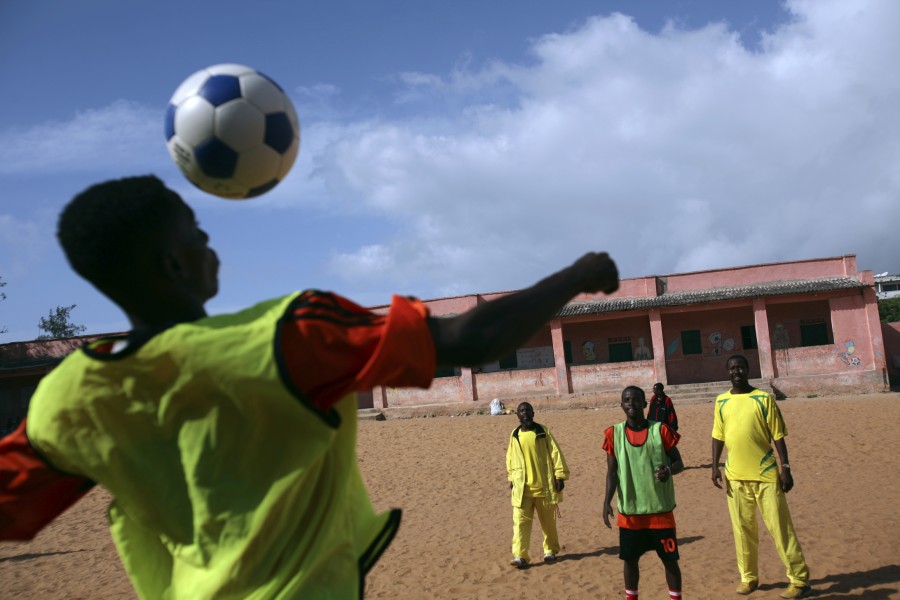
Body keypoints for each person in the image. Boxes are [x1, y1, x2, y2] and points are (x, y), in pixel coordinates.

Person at [0, 175, 619, 599]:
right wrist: (577, 274)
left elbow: (11, 507)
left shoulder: (69, 397)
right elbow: (468, 340)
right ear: (172, 262)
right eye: (195, 229)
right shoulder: (286, 338)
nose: (209, 241)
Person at [711, 355, 811, 599]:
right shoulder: (721, 401)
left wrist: (785, 467)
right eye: (732, 368)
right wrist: (715, 466)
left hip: (766, 475)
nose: (737, 371)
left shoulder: (763, 399)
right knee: (743, 531)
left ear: (747, 369)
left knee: (780, 528)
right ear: (727, 372)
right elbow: (718, 435)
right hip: (735, 476)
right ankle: (749, 577)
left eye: (740, 367)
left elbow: (778, 435)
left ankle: (798, 579)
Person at [603, 386, 684, 600]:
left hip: (660, 511)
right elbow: (612, 473)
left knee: (669, 560)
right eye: (627, 400)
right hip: (630, 512)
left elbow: (678, 463)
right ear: (621, 405)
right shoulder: (614, 433)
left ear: (644, 404)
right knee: (630, 560)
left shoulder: (661, 430)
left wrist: (668, 470)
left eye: (636, 399)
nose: (631, 403)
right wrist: (606, 502)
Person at [505, 401, 568, 569]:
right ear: (517, 415)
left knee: (548, 522)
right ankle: (520, 556)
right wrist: (511, 478)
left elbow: (555, 453)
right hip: (522, 489)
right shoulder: (515, 435)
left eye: (528, 410)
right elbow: (510, 459)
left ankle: (550, 551)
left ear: (533, 413)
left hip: (544, 487)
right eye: (521, 411)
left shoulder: (543, 432)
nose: (525, 413)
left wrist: (559, 476)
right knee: (520, 523)